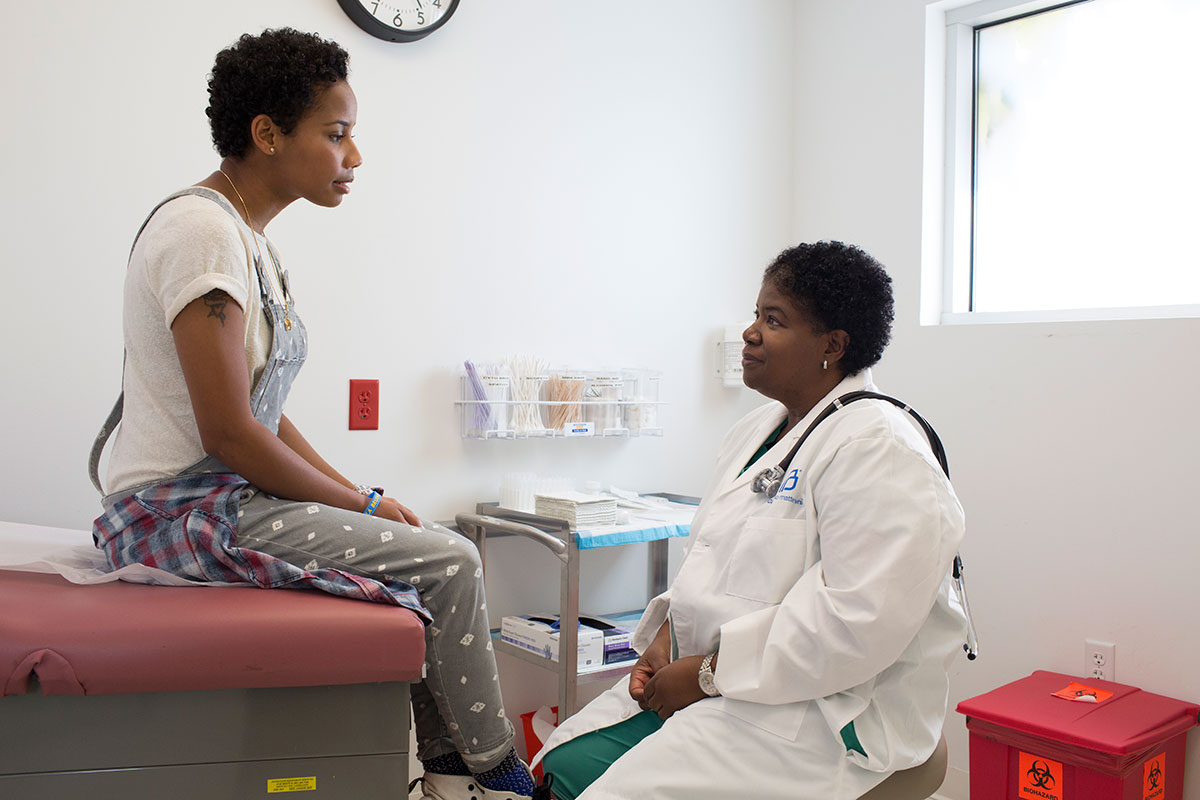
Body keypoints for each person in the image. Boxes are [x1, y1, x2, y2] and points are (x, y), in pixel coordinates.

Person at [88, 29, 538, 800]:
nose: (354, 157)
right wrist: (358, 503)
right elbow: (228, 432)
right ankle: (498, 777)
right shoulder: (202, 233)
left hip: (219, 498)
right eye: (336, 135)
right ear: (267, 134)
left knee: (421, 547)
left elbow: (265, 413)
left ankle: (450, 778)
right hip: (179, 511)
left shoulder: (246, 239)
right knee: (452, 561)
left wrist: (362, 494)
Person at [533, 241, 967, 800]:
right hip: (722, 678)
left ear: (832, 346)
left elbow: (853, 626)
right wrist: (667, 638)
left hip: (825, 711)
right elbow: (715, 564)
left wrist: (707, 672)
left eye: (774, 320)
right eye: (757, 314)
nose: (750, 332)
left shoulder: (880, 448)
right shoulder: (759, 429)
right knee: (556, 765)